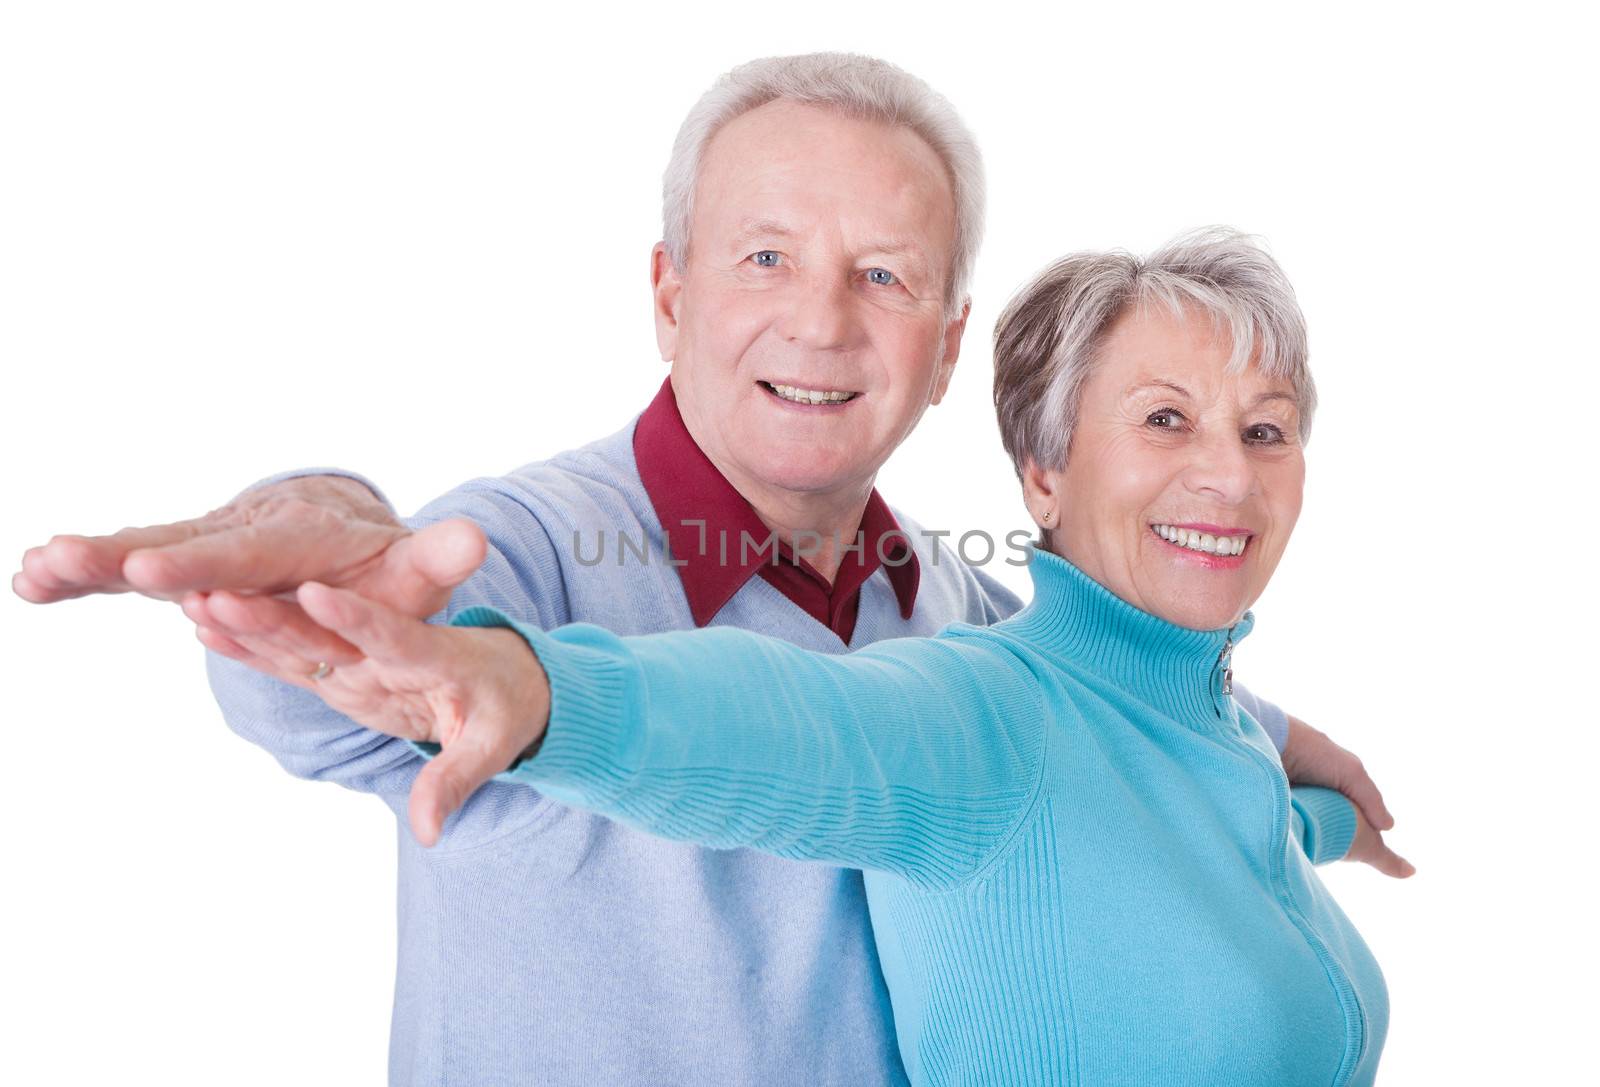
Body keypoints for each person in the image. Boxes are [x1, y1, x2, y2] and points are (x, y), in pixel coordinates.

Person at [12, 55, 1404, 1085]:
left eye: (883, 277)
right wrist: (328, 547)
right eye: (764, 256)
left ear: (944, 346)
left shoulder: (950, 599)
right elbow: (339, 679)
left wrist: (1279, 737)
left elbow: (1102, 710)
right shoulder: (520, 548)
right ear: (669, 293)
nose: (820, 320)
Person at [258, 228, 1394, 1085]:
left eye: (1265, 428)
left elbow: (1187, 840)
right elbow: (785, 721)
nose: (1231, 477)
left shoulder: (1209, 735)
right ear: (1043, 475)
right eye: (1162, 420)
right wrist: (545, 691)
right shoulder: (982, 712)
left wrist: (1313, 786)